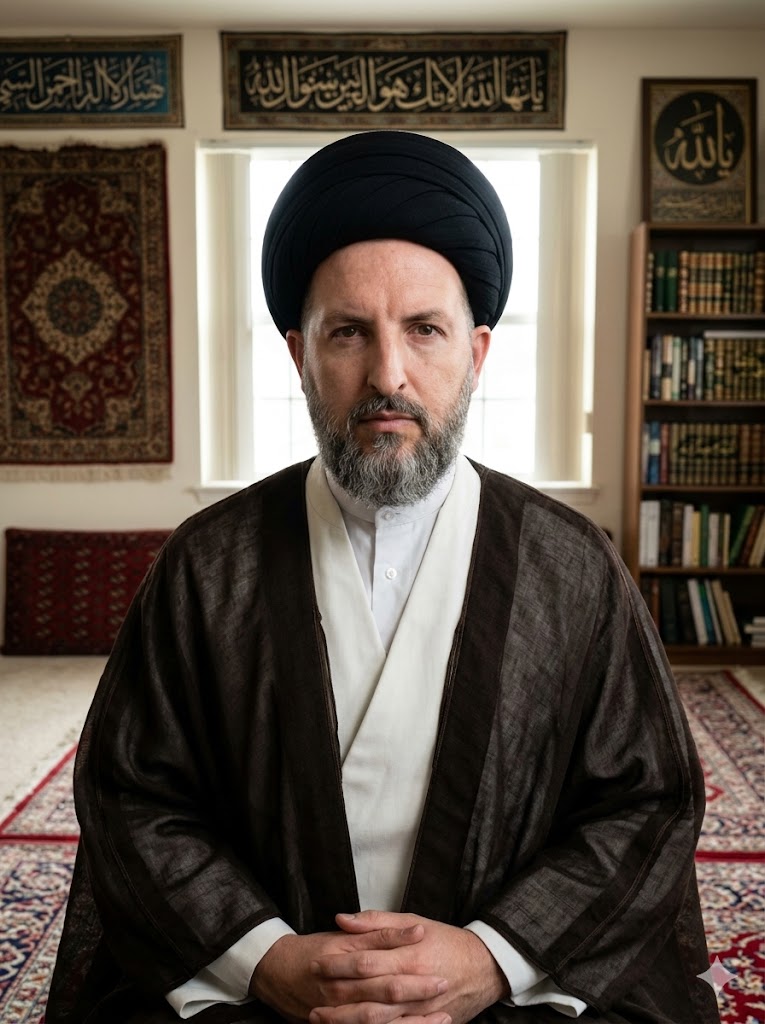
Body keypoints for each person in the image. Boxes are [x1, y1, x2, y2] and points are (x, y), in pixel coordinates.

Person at [47, 131, 719, 1024]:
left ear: (477, 353)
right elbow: (131, 795)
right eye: (349, 332)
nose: (387, 374)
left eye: (424, 330)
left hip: (511, 992)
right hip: (264, 991)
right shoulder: (207, 563)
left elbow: (646, 800)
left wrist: (492, 958)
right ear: (299, 354)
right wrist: (267, 960)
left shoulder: (573, 564)